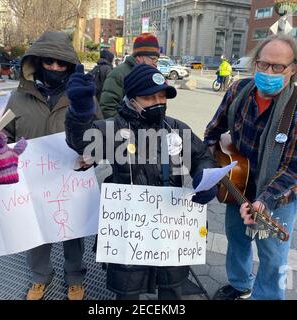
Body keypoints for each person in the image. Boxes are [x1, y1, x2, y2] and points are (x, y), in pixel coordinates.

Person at [65, 63, 218, 300]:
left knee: (172, 287)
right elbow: (82, 143)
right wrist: (80, 112)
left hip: (171, 223)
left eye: (162, 96)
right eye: (148, 97)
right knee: (128, 290)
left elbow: (201, 157)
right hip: (128, 227)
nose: (157, 102)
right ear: (131, 98)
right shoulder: (113, 128)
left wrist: (206, 179)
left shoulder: (175, 128)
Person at [204, 34, 297, 300]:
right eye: (263, 64)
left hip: (277, 197)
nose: (268, 71)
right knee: (237, 239)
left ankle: (266, 296)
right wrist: (214, 159)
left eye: (277, 67)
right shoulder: (237, 90)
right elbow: (213, 130)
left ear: (294, 68)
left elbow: (294, 168)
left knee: (272, 255)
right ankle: (240, 283)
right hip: (238, 183)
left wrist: (264, 200)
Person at [2, 31, 90, 301]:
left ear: (69, 66)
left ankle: (75, 277)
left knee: (73, 232)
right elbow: (4, 134)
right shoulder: (17, 98)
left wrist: (93, 153)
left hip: (72, 178)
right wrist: (2, 151)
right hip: (33, 180)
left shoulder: (83, 96)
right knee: (36, 232)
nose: (54, 68)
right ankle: (40, 277)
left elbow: (98, 132)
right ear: (37, 61)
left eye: (61, 63)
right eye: (48, 62)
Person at [100, 33, 160, 119]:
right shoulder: (118, 74)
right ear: (139, 57)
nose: (156, 64)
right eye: (153, 59)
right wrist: (124, 128)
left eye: (157, 60)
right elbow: (108, 108)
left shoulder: (152, 75)